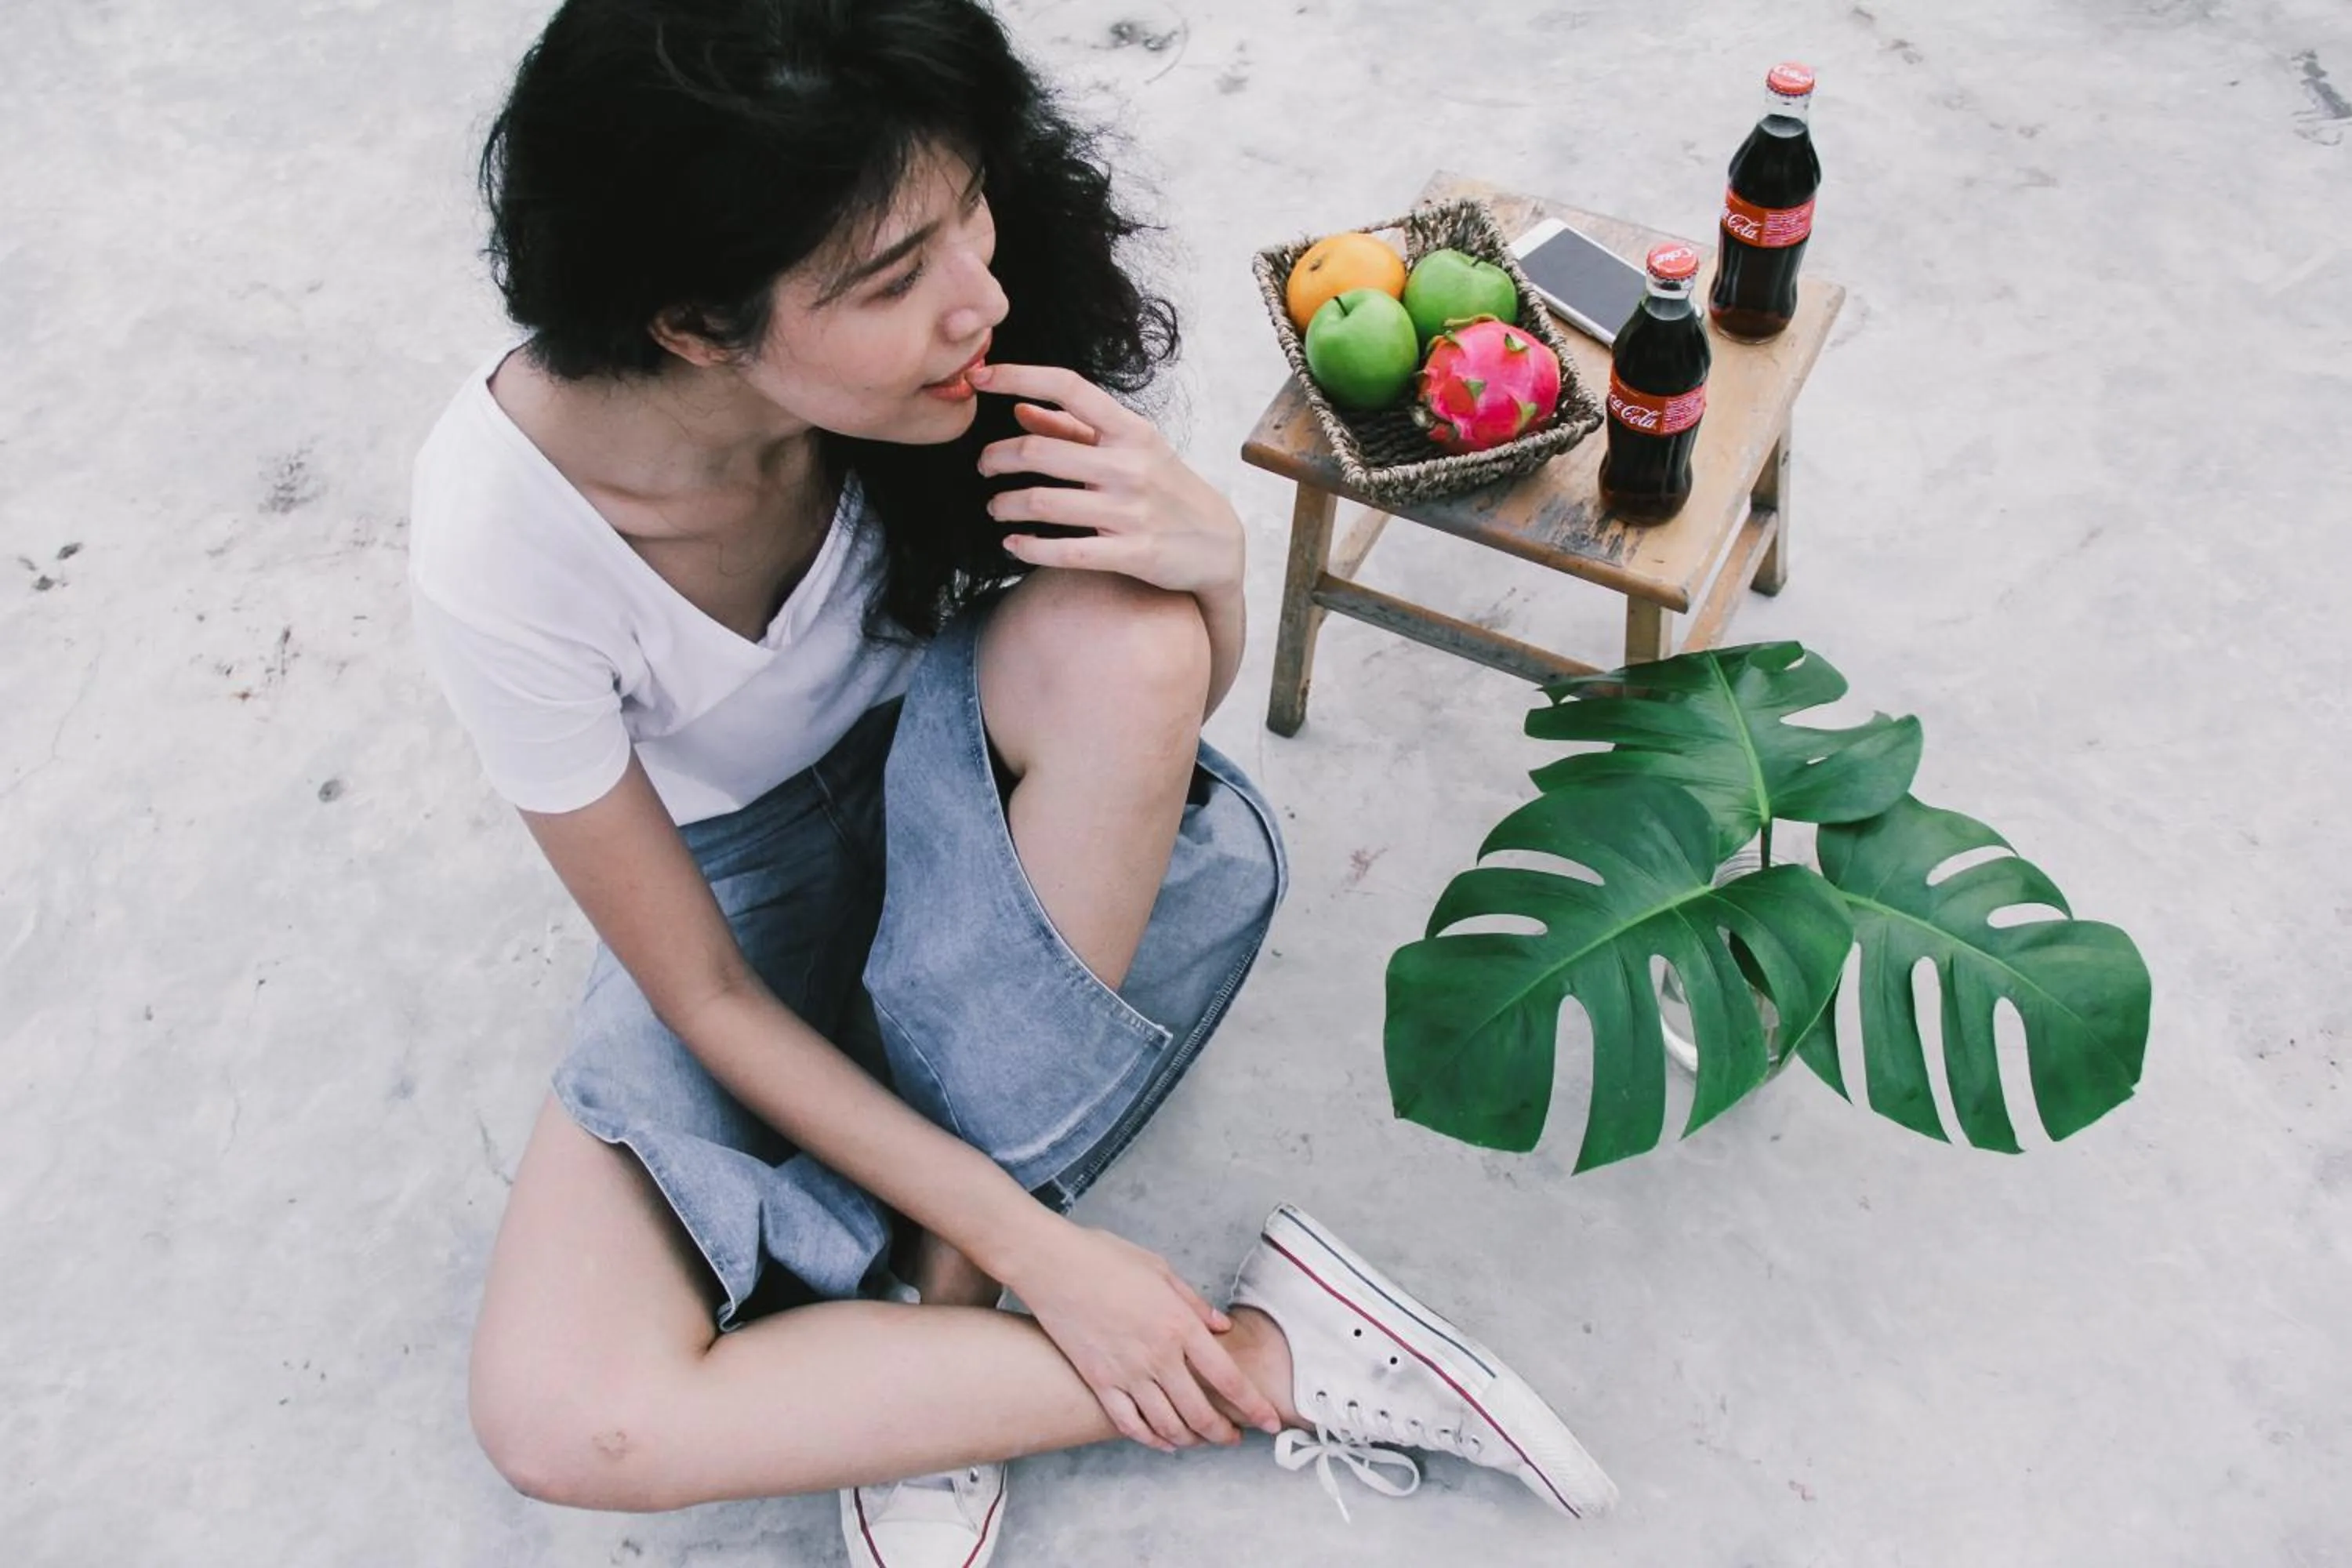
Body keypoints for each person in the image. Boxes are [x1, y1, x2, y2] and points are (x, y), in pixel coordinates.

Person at [407, 2, 1616, 1560]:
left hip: (969, 791)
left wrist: (1219, 573)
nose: (980, 293)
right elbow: (703, 992)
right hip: (734, 908)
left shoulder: (952, 364)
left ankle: (931, 1323)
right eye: (894, 279)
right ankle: (1274, 1356)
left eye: (966, 205)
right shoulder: (501, 541)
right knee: (562, 1416)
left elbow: (1146, 705)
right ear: (694, 327)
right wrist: (1062, 1255)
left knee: (1133, 642)